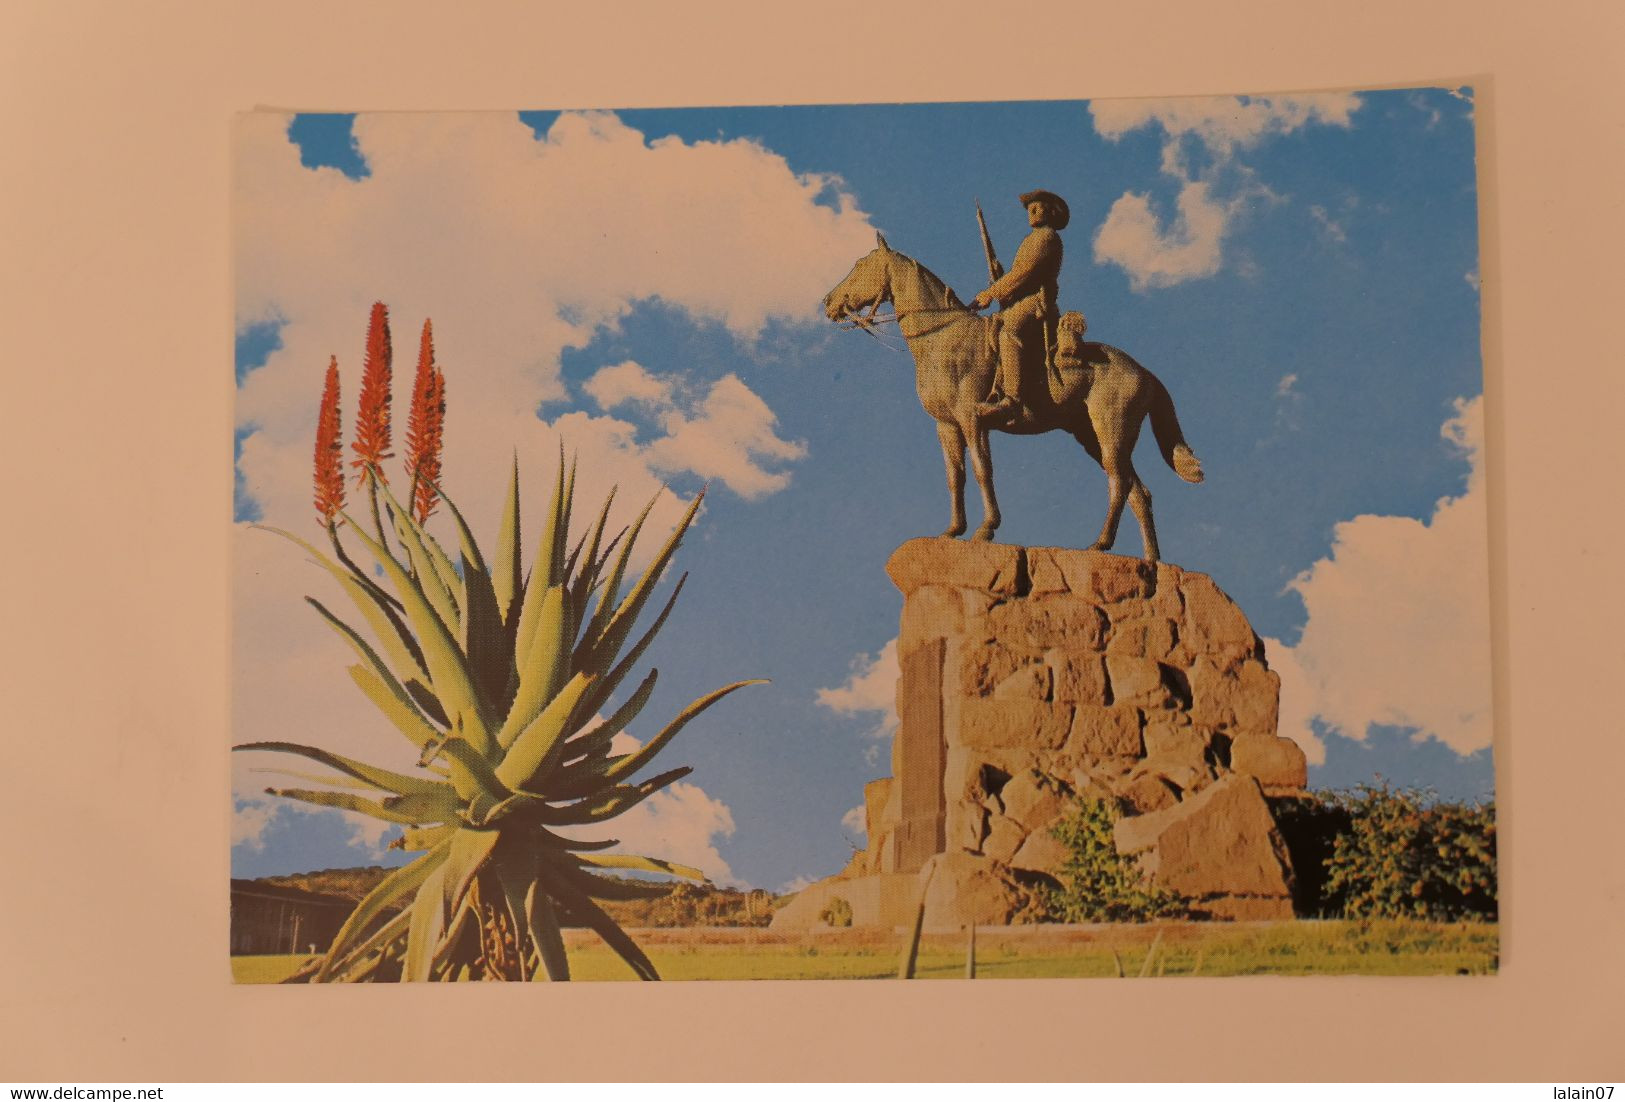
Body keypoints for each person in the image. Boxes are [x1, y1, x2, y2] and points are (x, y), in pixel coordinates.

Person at [970, 189, 1069, 421]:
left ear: (1051, 211)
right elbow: (1016, 276)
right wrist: (999, 275)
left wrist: (991, 292)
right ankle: (996, 386)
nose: (1032, 210)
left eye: (1038, 206)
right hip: (1022, 300)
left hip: (1037, 302)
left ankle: (1012, 401)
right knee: (990, 329)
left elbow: (1025, 273)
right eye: (1029, 208)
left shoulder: (1047, 237)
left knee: (1009, 333)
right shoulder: (1032, 239)